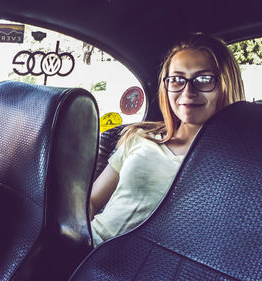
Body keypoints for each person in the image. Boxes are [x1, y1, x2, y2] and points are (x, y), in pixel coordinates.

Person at [89, 33, 245, 246]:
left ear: (227, 84)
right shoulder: (140, 136)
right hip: (89, 247)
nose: (188, 91)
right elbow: (92, 201)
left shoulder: (239, 164)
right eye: (177, 79)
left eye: (204, 79)